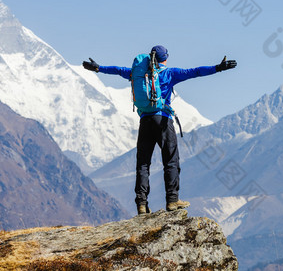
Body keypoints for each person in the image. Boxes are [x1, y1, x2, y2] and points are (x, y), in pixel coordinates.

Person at [82, 45, 236, 214]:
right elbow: (195, 71)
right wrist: (218, 68)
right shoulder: (170, 73)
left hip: (145, 119)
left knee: (143, 163)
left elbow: (118, 70)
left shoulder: (138, 73)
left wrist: (98, 68)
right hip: (162, 119)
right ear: (165, 58)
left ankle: (141, 204)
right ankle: (172, 201)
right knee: (170, 160)